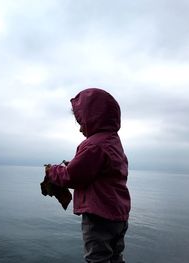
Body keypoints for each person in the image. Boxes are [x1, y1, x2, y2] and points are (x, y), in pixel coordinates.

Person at [44, 88, 131, 263]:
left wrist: (52, 170)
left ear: (93, 118)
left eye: (81, 122)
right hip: (118, 214)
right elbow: (102, 170)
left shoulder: (93, 145)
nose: (80, 128)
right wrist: (74, 165)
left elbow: (72, 177)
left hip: (99, 214)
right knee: (115, 256)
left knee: (97, 258)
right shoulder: (113, 141)